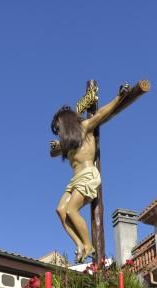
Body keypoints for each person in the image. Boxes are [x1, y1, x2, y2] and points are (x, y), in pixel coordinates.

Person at [50, 83, 131, 262]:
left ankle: (88, 245)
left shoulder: (85, 127)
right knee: (60, 210)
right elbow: (55, 151)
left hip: (87, 174)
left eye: (59, 128)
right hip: (74, 179)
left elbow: (102, 113)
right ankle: (80, 244)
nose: (59, 133)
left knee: (71, 210)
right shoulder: (68, 143)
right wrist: (56, 147)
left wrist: (120, 97)